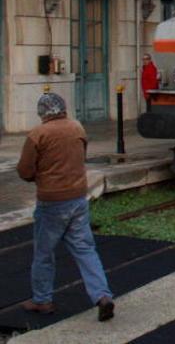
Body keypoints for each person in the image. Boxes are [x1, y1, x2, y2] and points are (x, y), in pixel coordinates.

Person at [16, 93, 115, 322]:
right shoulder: (77, 127)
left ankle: (42, 300)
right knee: (85, 249)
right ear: (62, 108)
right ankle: (102, 296)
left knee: (43, 253)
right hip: (78, 199)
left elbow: (24, 170)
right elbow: (82, 156)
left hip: (52, 201)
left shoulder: (38, 134)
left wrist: (39, 176)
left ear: (42, 112)